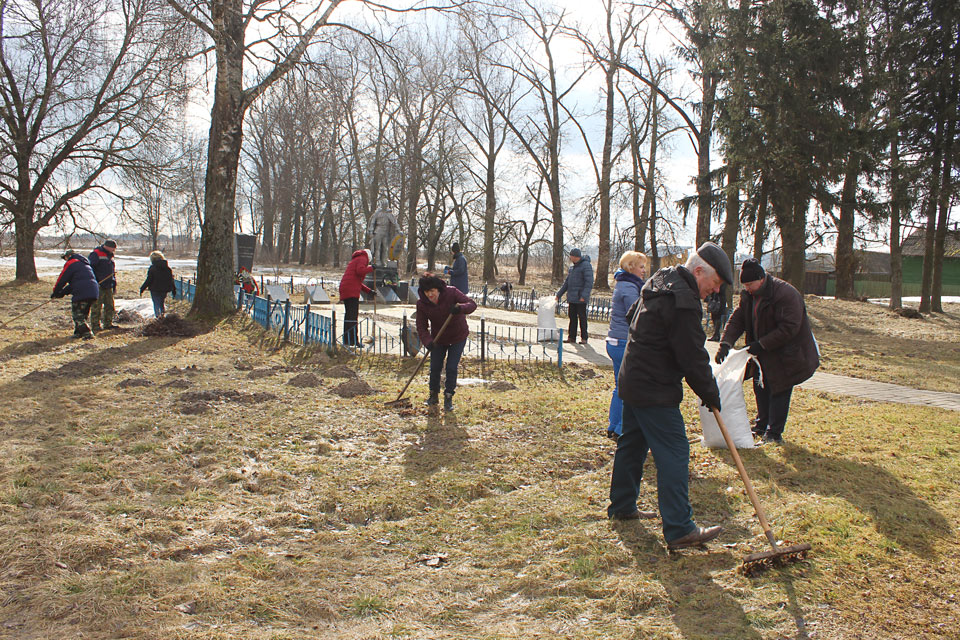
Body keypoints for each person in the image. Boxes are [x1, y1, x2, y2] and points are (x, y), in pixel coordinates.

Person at [608, 242, 731, 551]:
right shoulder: (684, 301)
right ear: (699, 271)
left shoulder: (660, 280)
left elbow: (635, 313)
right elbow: (692, 356)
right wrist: (710, 393)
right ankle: (679, 528)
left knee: (632, 443)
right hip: (654, 388)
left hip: (633, 378)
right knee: (675, 452)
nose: (713, 293)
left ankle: (622, 506)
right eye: (714, 285)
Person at [715, 258, 820, 445]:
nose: (746, 288)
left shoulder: (785, 294)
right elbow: (738, 319)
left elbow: (789, 328)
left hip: (787, 354)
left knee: (779, 389)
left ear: (761, 279)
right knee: (761, 387)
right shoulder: (749, 295)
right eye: (744, 284)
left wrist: (761, 344)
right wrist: (725, 343)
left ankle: (774, 433)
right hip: (762, 354)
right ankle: (761, 426)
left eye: (749, 284)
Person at [415, 273, 477, 411]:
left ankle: (448, 397)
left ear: (438, 289)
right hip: (438, 339)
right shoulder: (422, 304)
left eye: (432, 291)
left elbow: (472, 304)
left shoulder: (452, 292)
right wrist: (428, 341)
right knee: (435, 367)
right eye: (426, 292)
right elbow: (421, 326)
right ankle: (433, 395)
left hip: (457, 336)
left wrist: (460, 308)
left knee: (451, 367)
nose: (430, 295)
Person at [605, 251, 647, 440]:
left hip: (616, 341)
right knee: (628, 388)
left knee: (619, 387)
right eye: (641, 266)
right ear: (631, 267)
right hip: (623, 342)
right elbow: (637, 314)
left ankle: (614, 425)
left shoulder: (624, 284)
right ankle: (621, 428)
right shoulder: (630, 287)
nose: (644, 271)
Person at [51, 249, 100, 340]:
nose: (65, 261)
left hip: (82, 293)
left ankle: (88, 334)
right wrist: (61, 293)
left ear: (68, 256)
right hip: (93, 291)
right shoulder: (85, 264)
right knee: (83, 314)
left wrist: (56, 292)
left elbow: (62, 279)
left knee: (77, 316)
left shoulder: (71, 263)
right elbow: (75, 283)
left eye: (65, 258)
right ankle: (78, 333)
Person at [556, 248, 594, 344]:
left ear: (575, 256)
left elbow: (589, 282)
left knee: (582, 318)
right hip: (572, 297)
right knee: (572, 318)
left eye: (571, 256)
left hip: (580, 297)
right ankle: (571, 337)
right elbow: (567, 283)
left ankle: (584, 338)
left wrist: (584, 296)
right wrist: (559, 295)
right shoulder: (572, 268)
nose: (570, 258)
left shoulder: (586, 266)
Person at [339, 249, 374, 346]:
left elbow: (356, 281)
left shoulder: (356, 259)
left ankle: (347, 340)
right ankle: (354, 340)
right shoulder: (363, 258)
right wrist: (371, 268)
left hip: (346, 288)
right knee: (353, 316)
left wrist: (369, 291)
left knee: (349, 316)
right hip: (351, 291)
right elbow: (360, 271)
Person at [88, 239, 117, 331]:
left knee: (110, 306)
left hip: (108, 285)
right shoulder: (95, 254)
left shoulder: (110, 256)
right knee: (96, 306)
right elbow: (90, 269)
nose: (114, 250)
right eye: (113, 248)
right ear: (107, 246)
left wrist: (114, 284)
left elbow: (112, 271)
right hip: (98, 285)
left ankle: (108, 324)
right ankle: (95, 326)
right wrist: (94, 282)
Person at [140, 250, 175, 318]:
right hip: (164, 289)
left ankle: (158, 317)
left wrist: (142, 288)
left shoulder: (153, 268)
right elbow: (171, 280)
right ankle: (162, 316)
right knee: (161, 303)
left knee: (156, 303)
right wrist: (173, 289)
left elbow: (149, 280)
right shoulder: (167, 268)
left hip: (155, 289)